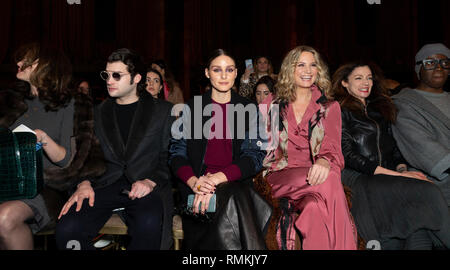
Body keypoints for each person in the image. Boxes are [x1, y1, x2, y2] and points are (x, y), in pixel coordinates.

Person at [55, 48, 175, 250]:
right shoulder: (97, 112)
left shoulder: (163, 111)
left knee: (149, 226)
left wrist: (150, 180)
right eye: (107, 75)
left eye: (117, 75)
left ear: (137, 78)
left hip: (145, 186)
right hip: (103, 185)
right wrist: (83, 183)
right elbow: (84, 157)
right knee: (67, 230)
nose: (109, 80)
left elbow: (170, 155)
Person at [332, 61, 450, 250]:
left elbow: (394, 150)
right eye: (359, 78)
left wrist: (402, 168)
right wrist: (397, 175)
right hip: (359, 178)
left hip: (385, 177)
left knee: (416, 223)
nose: (366, 83)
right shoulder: (338, 110)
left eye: (369, 78)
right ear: (345, 83)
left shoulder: (381, 109)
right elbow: (348, 155)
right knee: (425, 191)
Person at [0, 42, 104, 250]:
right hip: (8, 183)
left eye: (27, 61)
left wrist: (44, 139)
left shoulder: (70, 103)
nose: (19, 63)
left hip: (47, 188)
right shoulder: (9, 101)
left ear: (46, 66)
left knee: (4, 218)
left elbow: (67, 161)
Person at [169, 49, 272, 250]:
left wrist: (215, 180)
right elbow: (176, 155)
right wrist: (197, 184)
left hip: (234, 185)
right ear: (207, 73)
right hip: (196, 189)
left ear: (236, 73)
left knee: (234, 195)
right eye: (217, 70)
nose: (224, 75)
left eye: (229, 70)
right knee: (237, 201)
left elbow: (254, 157)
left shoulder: (249, 110)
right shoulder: (192, 108)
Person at [262, 46, 357, 250]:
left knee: (314, 209)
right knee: (331, 177)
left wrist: (324, 160)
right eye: (301, 65)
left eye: (313, 65)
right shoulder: (272, 103)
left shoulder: (329, 107)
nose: (308, 70)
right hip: (279, 175)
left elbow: (332, 148)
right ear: (290, 69)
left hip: (314, 179)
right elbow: (260, 145)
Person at [391, 43, 450, 208]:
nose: (439, 68)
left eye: (444, 63)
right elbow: (422, 145)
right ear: (418, 69)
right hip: (436, 190)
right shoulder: (404, 104)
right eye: (430, 63)